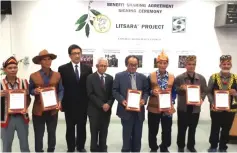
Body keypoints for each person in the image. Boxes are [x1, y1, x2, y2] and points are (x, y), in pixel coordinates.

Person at [58, 44, 93, 152]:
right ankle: (71, 147)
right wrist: (60, 101)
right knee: (70, 127)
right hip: (69, 104)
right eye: (74, 53)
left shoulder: (87, 68)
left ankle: (81, 146)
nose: (77, 56)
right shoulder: (63, 69)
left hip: (83, 104)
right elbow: (60, 87)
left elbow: (89, 86)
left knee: (82, 126)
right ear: (70, 55)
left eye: (79, 53)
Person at [112, 55, 149, 152]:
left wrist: (144, 100)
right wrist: (121, 100)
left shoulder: (143, 77)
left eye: (135, 65)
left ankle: (136, 150)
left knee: (138, 134)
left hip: (139, 111)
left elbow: (146, 91)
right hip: (125, 110)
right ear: (126, 64)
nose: (133, 67)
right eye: (131, 65)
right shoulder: (119, 76)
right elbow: (115, 91)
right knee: (127, 133)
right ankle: (126, 149)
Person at [29, 49, 64, 152]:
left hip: (53, 110)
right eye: (44, 59)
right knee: (39, 134)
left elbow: (61, 90)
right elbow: (29, 90)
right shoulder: (33, 76)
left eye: (49, 59)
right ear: (40, 62)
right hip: (38, 111)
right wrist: (34, 91)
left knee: (52, 133)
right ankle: (39, 150)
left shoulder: (57, 75)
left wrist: (60, 101)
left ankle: (51, 150)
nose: (48, 61)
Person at [174, 55, 207, 152]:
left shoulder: (201, 78)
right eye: (189, 64)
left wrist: (201, 99)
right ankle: (180, 146)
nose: (191, 66)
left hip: (195, 109)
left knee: (193, 129)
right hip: (183, 108)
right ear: (185, 65)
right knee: (181, 128)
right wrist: (180, 88)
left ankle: (191, 146)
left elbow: (205, 91)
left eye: (193, 64)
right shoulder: (180, 78)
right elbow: (175, 90)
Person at [147, 51, 176, 152]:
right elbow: (146, 90)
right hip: (153, 107)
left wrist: (172, 100)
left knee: (167, 129)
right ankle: (153, 147)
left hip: (167, 108)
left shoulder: (172, 76)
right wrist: (152, 92)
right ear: (157, 63)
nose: (163, 65)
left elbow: (174, 91)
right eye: (160, 63)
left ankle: (164, 147)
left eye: (165, 63)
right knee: (153, 129)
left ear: (167, 64)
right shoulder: (151, 75)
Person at [0, 56, 31, 152]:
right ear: (5, 69)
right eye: (10, 68)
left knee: (25, 145)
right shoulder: (0, 83)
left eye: (15, 67)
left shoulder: (24, 82)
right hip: (6, 119)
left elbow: (29, 100)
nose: (13, 70)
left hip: (22, 117)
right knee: (6, 145)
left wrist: (25, 97)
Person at [207, 55, 237, 152]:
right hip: (216, 108)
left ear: (231, 65)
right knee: (215, 127)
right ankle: (213, 146)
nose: (226, 66)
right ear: (220, 65)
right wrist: (212, 102)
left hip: (231, 108)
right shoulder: (213, 77)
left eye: (228, 64)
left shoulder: (236, 78)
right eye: (224, 64)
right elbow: (208, 91)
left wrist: (236, 93)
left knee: (226, 128)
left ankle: (223, 146)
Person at [86, 57, 114, 152]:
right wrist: (102, 104)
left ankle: (103, 148)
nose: (103, 67)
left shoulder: (110, 78)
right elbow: (90, 94)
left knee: (104, 131)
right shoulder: (90, 78)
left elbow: (112, 94)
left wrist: (108, 104)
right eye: (101, 65)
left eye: (105, 66)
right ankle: (94, 149)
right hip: (94, 110)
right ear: (97, 66)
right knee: (94, 132)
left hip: (106, 110)